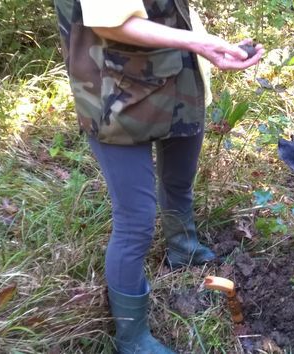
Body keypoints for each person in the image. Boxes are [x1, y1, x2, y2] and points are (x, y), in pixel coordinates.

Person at [52, 0, 264, 352]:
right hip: (113, 95)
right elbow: (111, 21)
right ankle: (132, 337)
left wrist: (206, 44)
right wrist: (199, 43)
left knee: (179, 180)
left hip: (177, 80)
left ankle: (183, 247)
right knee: (135, 221)